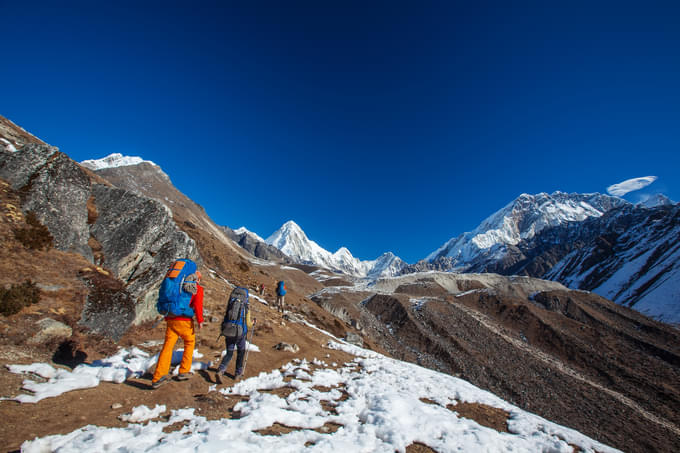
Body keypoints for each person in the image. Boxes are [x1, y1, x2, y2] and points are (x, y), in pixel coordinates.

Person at [151, 271, 204, 389]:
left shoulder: (177, 286)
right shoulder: (197, 288)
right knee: (189, 343)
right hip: (185, 321)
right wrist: (200, 320)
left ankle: (158, 376)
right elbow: (198, 305)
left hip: (171, 319)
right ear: (197, 279)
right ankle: (184, 370)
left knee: (167, 347)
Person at [216, 297, 253, 379]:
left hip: (229, 331)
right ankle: (238, 373)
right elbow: (248, 324)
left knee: (229, 353)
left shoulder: (231, 304)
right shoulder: (246, 307)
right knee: (241, 352)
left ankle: (221, 369)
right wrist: (253, 322)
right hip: (240, 334)